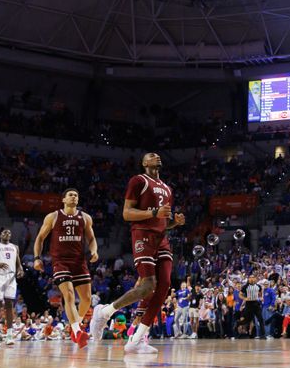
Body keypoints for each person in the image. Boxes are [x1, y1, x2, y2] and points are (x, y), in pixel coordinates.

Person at [89, 152, 186, 354]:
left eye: (159, 155)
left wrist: (174, 223)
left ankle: (137, 339)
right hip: (142, 235)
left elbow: (162, 222)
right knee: (147, 287)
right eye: (152, 156)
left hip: (161, 238)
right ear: (144, 163)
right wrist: (152, 213)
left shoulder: (167, 188)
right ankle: (105, 312)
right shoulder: (138, 181)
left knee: (164, 285)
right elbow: (127, 213)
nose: (157, 157)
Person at [33, 187, 98, 348]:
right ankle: (76, 331)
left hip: (79, 261)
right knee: (68, 295)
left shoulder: (85, 217)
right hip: (60, 261)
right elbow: (40, 238)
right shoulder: (53, 216)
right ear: (63, 199)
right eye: (70, 195)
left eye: (76, 195)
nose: (74, 197)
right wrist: (36, 258)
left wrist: (94, 251)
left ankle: (74, 325)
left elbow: (91, 238)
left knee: (87, 299)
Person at [239, 275, 264, 339]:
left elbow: (260, 293)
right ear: (248, 279)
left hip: (256, 304)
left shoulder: (258, 286)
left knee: (260, 319)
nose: (252, 279)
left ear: (255, 279)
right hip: (248, 304)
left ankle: (263, 335)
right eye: (250, 277)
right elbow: (240, 295)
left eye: (253, 277)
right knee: (247, 320)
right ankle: (238, 326)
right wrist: (245, 298)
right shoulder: (245, 286)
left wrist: (260, 297)